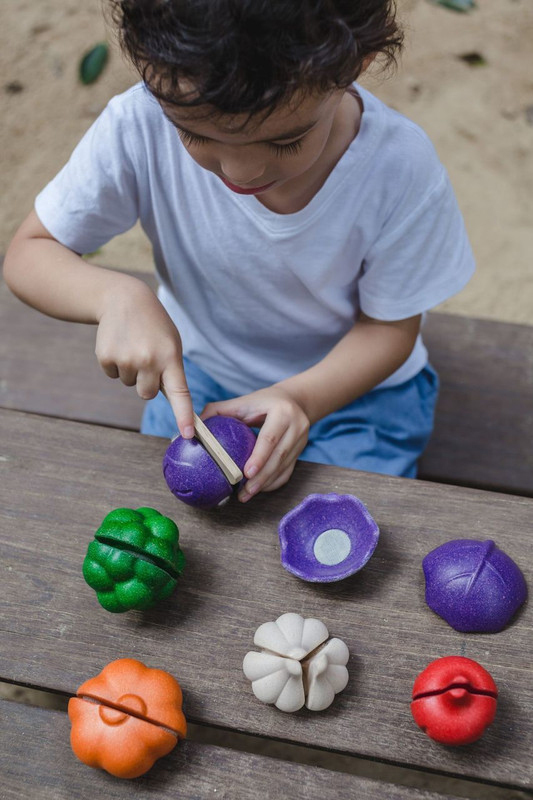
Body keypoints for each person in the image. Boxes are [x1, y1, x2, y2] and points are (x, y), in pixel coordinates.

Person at [3, 0, 475, 502]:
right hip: (201, 377)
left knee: (337, 525)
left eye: (286, 140)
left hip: (357, 397)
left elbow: (389, 330)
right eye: (194, 133)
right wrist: (113, 295)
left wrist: (301, 399)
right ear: (150, 68)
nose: (240, 172)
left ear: (354, 63)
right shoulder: (137, 126)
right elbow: (31, 253)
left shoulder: (399, 170)